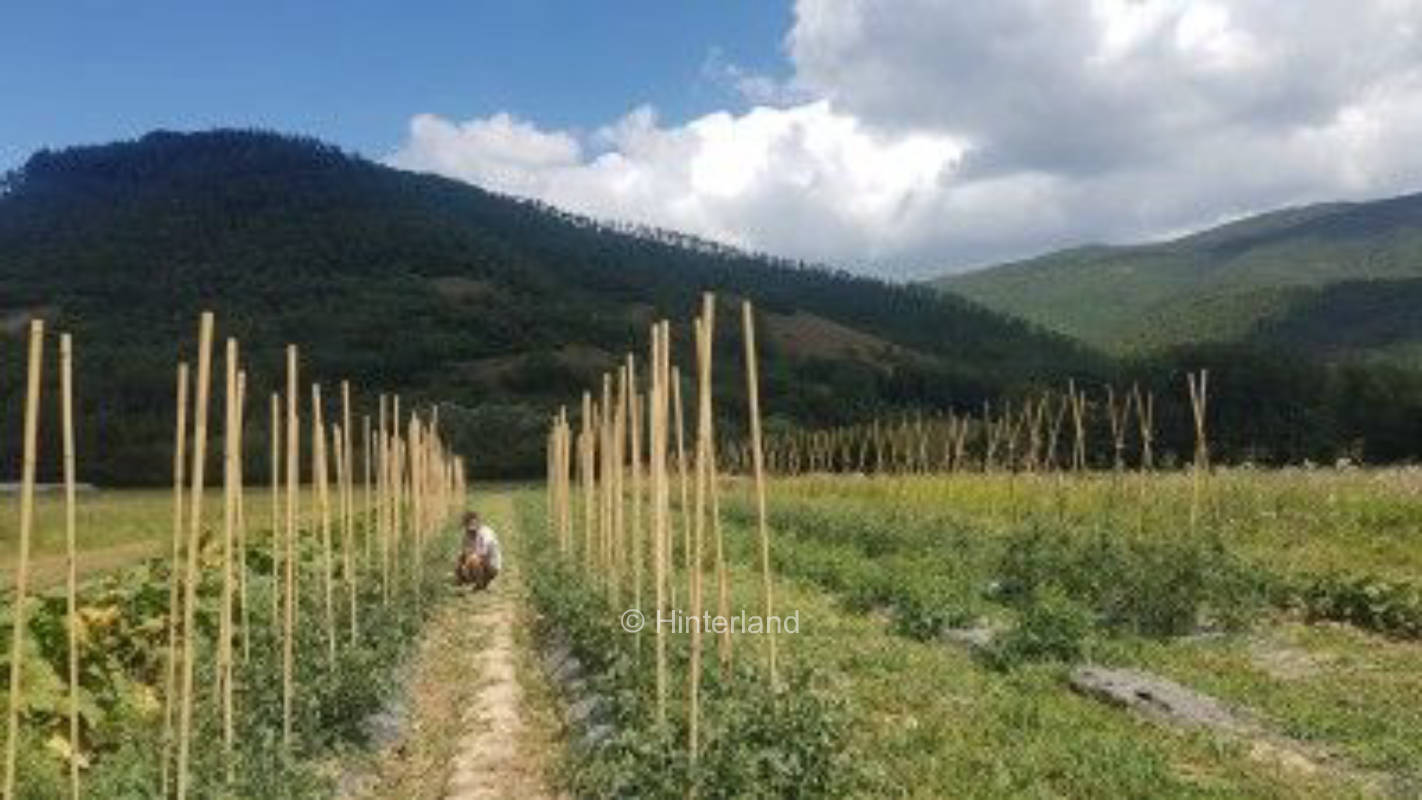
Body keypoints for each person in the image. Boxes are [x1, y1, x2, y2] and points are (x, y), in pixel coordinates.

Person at [457, 511, 501, 589]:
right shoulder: (467, 534)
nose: (469, 529)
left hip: (491, 566)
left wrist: (467, 565)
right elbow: (465, 550)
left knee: (474, 561)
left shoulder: (486, 534)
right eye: (467, 525)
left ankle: (481, 583)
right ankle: (467, 579)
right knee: (461, 558)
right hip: (480, 562)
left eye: (472, 525)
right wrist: (462, 565)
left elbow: (482, 555)